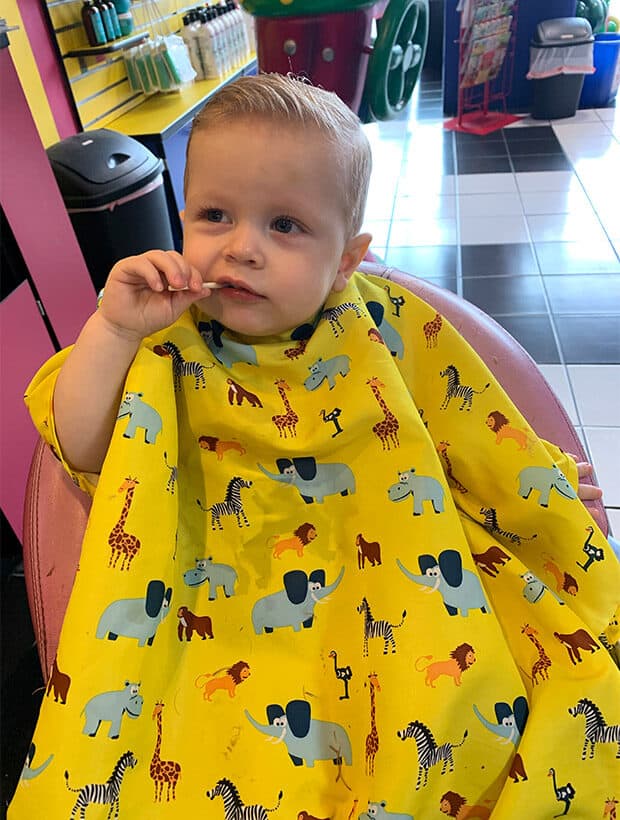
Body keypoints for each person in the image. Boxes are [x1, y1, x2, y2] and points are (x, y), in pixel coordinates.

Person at [10, 74, 619, 819]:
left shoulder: (391, 327)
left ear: (347, 258)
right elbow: (79, 441)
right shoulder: (161, 337)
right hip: (215, 590)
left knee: (464, 708)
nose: (242, 248)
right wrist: (110, 330)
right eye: (214, 214)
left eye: (286, 226)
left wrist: (540, 491)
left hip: (391, 566)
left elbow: (471, 424)